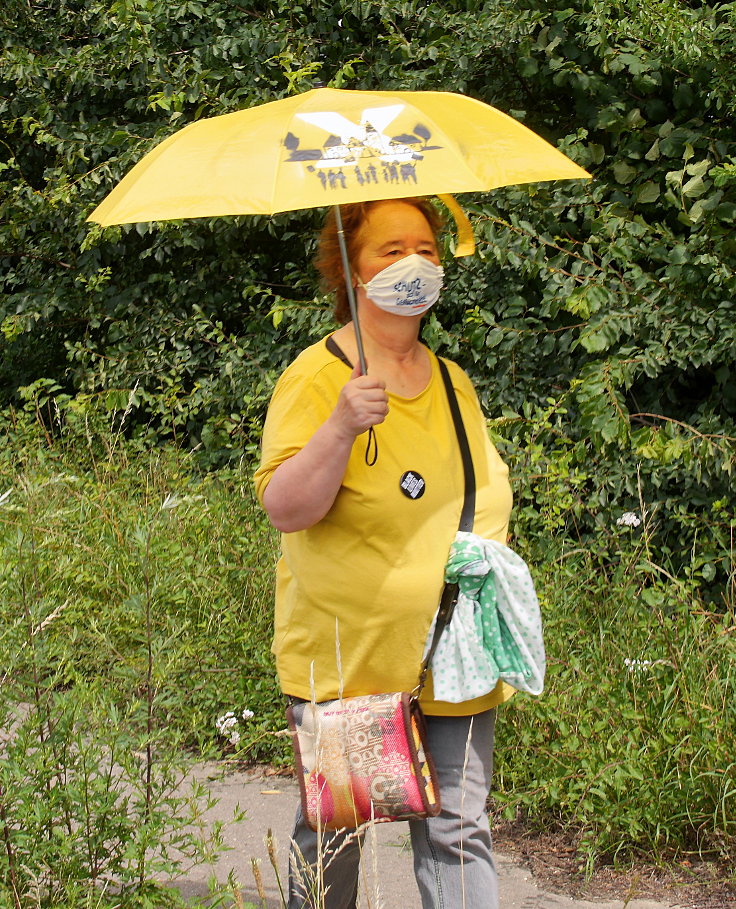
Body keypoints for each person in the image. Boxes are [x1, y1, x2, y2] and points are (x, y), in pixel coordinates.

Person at [253, 197, 514, 909]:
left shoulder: (453, 380)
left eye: (427, 249)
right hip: (352, 658)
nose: (415, 265)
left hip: (456, 651)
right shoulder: (317, 376)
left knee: (459, 828)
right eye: (391, 250)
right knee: (341, 826)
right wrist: (340, 424)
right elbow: (286, 506)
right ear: (352, 270)